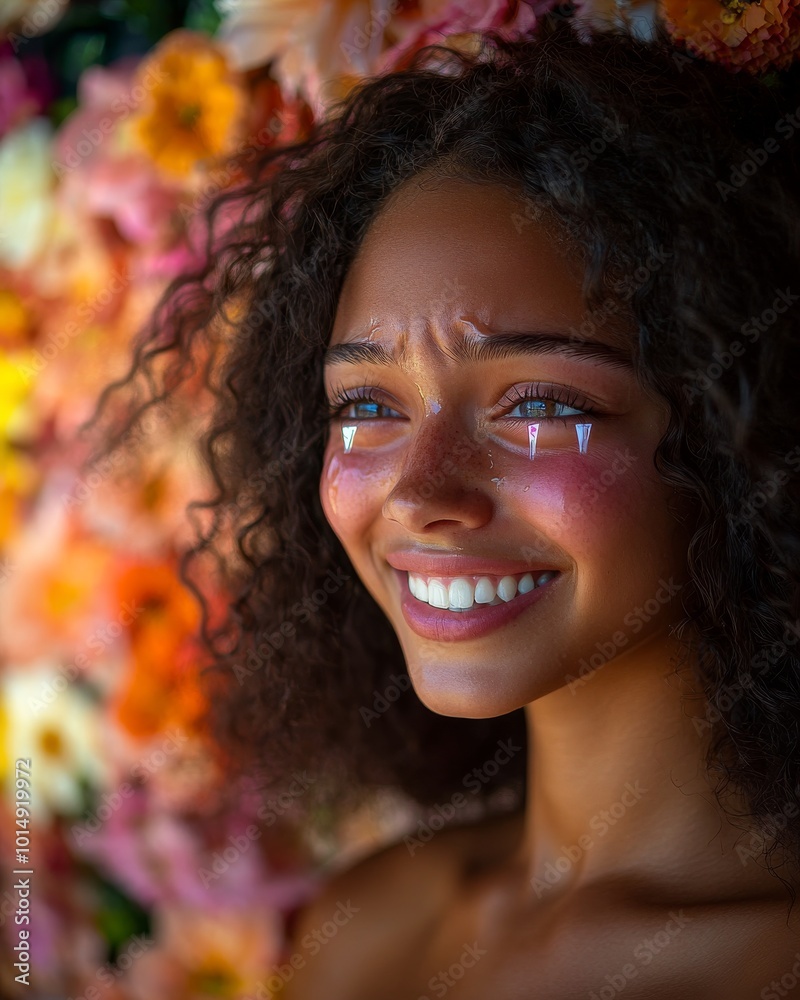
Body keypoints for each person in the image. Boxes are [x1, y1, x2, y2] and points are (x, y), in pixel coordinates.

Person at [93, 14, 800, 998]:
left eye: (541, 404)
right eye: (368, 405)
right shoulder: (365, 924)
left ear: (741, 438)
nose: (421, 495)